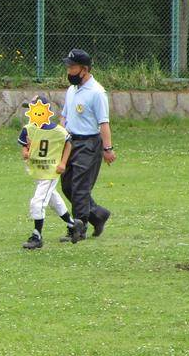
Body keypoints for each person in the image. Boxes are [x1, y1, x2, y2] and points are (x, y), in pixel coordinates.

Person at [60, 49, 116, 243]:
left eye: (72, 67)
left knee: (80, 187)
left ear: (84, 69)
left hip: (89, 143)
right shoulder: (71, 90)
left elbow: (104, 123)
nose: (69, 71)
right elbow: (65, 116)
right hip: (71, 142)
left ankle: (79, 228)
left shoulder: (97, 93)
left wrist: (107, 149)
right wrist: (60, 138)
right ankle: (98, 214)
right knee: (67, 186)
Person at [17, 95, 76, 250]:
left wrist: (63, 162)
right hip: (38, 171)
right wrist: (25, 151)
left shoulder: (57, 130)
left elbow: (68, 142)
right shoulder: (29, 129)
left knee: (37, 202)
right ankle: (73, 225)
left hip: (50, 172)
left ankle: (37, 236)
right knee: (52, 199)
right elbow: (25, 144)